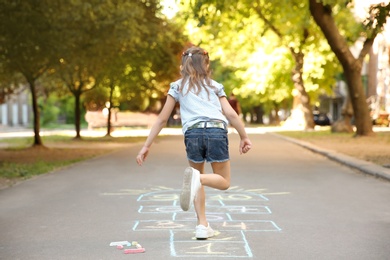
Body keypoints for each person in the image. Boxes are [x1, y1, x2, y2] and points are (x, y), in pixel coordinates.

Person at [136, 46, 252, 240]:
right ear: (206, 64)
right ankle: (198, 190)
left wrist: (146, 145)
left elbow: (161, 119)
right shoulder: (215, 86)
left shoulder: (177, 87)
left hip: (193, 133)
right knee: (223, 182)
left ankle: (202, 225)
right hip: (216, 131)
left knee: (196, 179)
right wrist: (244, 136)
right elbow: (230, 113)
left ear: (183, 65)